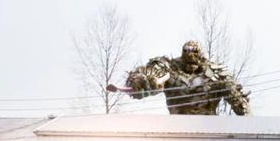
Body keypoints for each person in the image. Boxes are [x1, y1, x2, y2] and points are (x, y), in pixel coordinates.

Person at [107, 40, 250, 115]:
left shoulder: (214, 73)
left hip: (209, 127)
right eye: (187, 53)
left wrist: (246, 117)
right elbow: (153, 75)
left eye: (194, 53)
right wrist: (140, 82)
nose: (190, 56)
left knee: (228, 87)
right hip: (178, 125)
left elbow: (234, 93)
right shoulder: (170, 68)